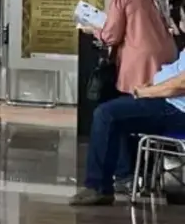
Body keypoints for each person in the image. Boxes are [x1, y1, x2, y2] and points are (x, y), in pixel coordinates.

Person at [70, 49, 185, 206]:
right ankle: (121, 177)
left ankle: (99, 187)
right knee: (115, 112)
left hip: (177, 107)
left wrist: (145, 92)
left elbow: (180, 85)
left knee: (107, 114)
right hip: (170, 101)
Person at [85, 0, 177, 96]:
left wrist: (95, 30)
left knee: (136, 100)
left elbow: (111, 36)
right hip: (168, 54)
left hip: (140, 60)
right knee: (159, 98)